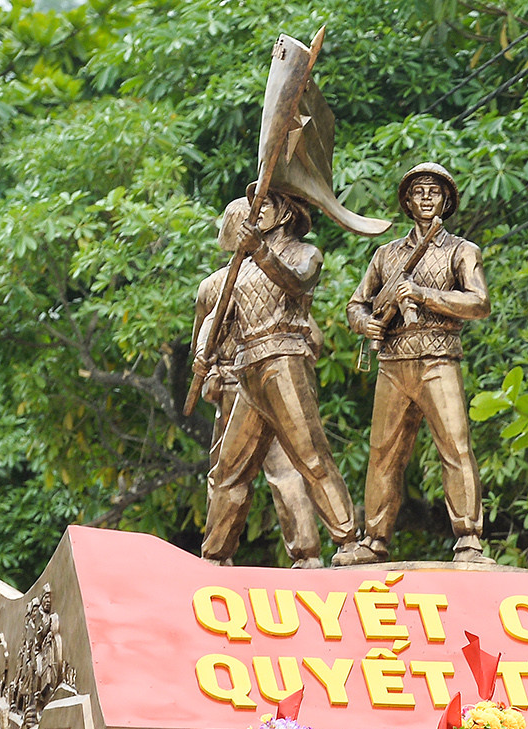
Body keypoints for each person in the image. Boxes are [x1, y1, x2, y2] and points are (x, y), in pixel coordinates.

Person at [197, 191, 370, 567]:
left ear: (287, 213)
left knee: (309, 455)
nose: (256, 212)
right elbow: (218, 316)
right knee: (229, 468)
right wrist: (203, 353)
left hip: (285, 360)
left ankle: (348, 541)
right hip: (248, 371)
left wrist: (258, 249)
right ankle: (214, 555)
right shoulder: (238, 267)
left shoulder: (305, 253)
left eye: (266, 205)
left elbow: (296, 283)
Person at [345, 163, 492, 564]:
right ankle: (374, 540)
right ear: (408, 201)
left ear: (446, 200)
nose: (426, 198)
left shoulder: (462, 251)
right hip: (393, 362)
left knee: (455, 447)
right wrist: (367, 323)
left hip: (438, 359)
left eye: (434, 191)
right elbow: (356, 304)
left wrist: (423, 294)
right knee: (383, 453)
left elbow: (479, 303)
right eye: (419, 191)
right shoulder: (385, 254)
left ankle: (469, 539)